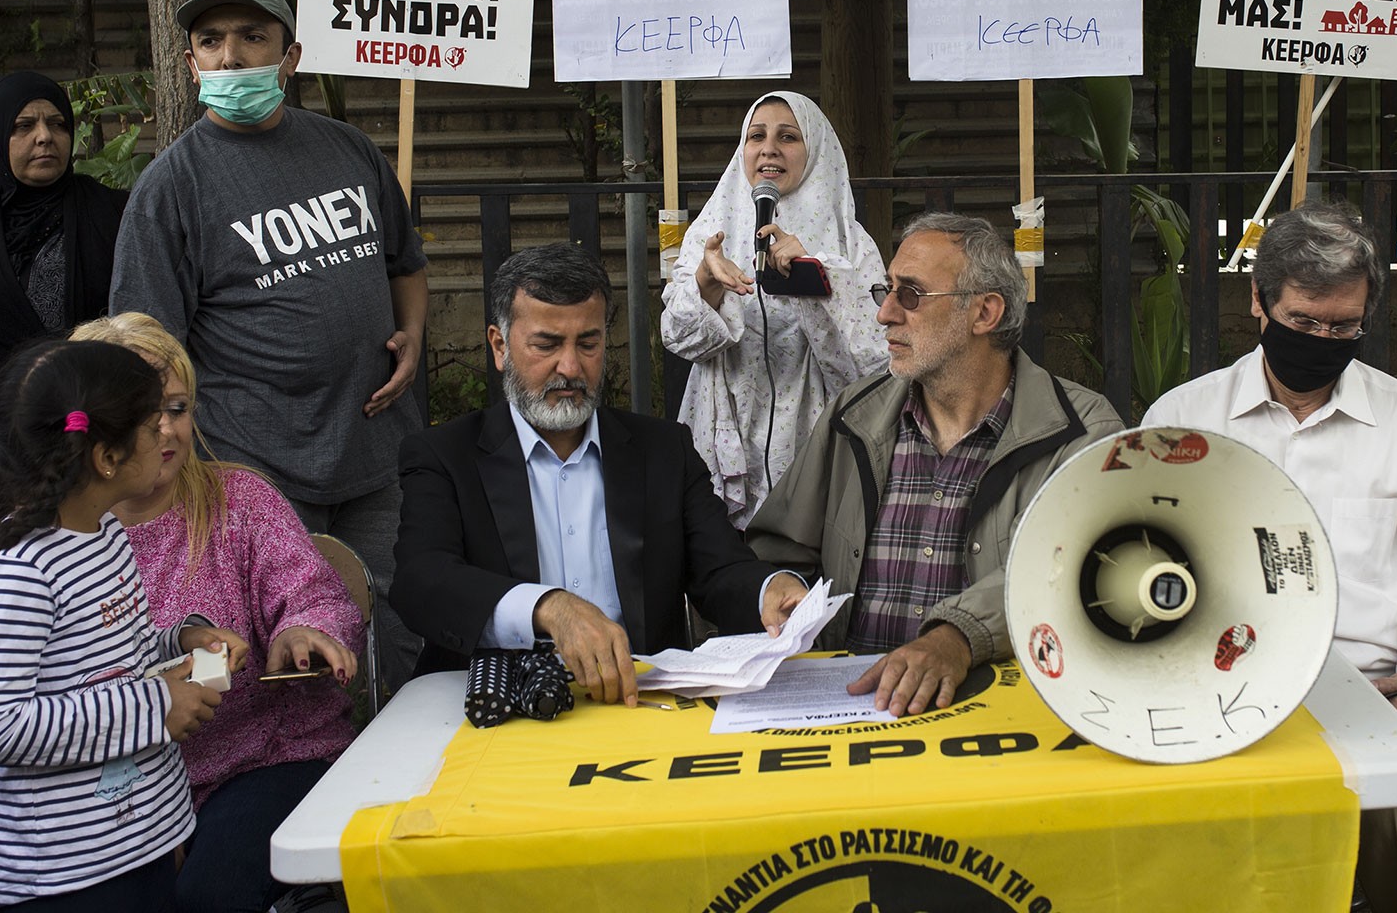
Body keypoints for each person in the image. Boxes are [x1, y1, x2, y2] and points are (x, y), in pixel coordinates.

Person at [1141, 201, 1397, 913]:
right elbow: (1148, 573)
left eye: (1343, 326)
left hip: (1377, 691)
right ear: (1259, 304)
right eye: (1304, 322)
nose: (1323, 338)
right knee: (1169, 815)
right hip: (1214, 688)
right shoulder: (1181, 420)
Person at [110, 0, 427, 682]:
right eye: (211, 41)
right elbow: (145, 355)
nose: (231, 58)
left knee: (394, 643)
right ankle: (298, 788)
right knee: (288, 656)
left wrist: (412, 332)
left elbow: (406, 265)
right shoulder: (171, 190)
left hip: (378, 455)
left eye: (253, 38)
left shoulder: (349, 151)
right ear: (191, 63)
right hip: (259, 472)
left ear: (291, 57)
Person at [391, 242, 807, 705]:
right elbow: (420, 580)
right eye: (546, 344)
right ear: (499, 346)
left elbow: (720, 569)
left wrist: (769, 592)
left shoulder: (662, 450)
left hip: (637, 703)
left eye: (587, 344)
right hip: (496, 709)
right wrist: (547, 607)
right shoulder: (445, 455)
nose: (570, 368)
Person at [748, 212, 1125, 717]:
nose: (884, 313)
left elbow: (1079, 568)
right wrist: (782, 587)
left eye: (910, 294)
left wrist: (958, 639)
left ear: (985, 313)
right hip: (851, 715)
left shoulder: (1081, 432)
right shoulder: (853, 416)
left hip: (995, 718)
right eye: (886, 289)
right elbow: (778, 549)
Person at [0, 339, 241, 911]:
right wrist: (156, 705)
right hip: (63, 880)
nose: (166, 434)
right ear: (107, 459)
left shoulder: (104, 535)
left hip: (136, 846)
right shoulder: (22, 574)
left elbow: (114, 656)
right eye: (151, 425)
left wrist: (184, 640)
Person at [71, 312, 361, 913]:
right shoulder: (58, 538)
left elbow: (312, 591)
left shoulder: (239, 500)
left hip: (266, 756)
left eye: (176, 408)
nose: (164, 430)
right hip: (116, 784)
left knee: (208, 894)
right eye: (142, 414)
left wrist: (304, 629)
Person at [0, 71, 127, 719]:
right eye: (24, 126)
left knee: (88, 564)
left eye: (57, 124)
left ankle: (93, 711)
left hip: (84, 430)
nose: (44, 137)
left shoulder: (110, 215)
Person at [662, 91, 889, 527]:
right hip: (722, 424)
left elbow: (872, 365)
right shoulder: (711, 231)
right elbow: (678, 338)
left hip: (812, 432)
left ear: (816, 148)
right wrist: (705, 286)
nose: (769, 148)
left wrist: (816, 279)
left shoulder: (849, 243)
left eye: (788, 137)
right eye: (756, 136)